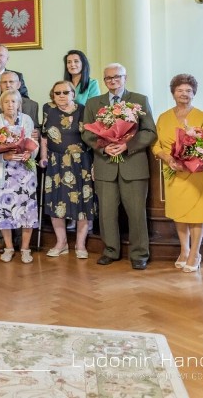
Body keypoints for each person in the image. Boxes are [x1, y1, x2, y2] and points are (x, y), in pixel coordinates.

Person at [81, 63, 157, 270]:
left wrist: (126, 145)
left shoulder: (139, 100)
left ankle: (140, 253)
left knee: (136, 212)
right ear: (104, 81)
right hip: (105, 164)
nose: (113, 81)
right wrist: (105, 148)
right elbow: (87, 133)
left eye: (117, 77)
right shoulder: (93, 103)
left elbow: (150, 132)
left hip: (133, 164)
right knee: (106, 212)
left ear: (125, 78)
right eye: (108, 78)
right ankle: (111, 250)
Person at [152, 74, 203, 273]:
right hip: (173, 172)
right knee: (179, 214)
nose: (184, 94)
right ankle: (184, 250)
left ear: (194, 93)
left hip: (196, 174)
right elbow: (156, 145)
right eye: (180, 90)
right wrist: (168, 159)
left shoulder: (202, 115)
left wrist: (188, 162)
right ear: (173, 93)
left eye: (188, 90)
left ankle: (195, 253)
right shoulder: (163, 117)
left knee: (197, 215)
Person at [41, 81, 96, 259]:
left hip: (81, 162)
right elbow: (43, 137)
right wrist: (43, 156)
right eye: (57, 93)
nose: (62, 96)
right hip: (55, 162)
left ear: (73, 93)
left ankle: (80, 244)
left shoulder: (83, 109)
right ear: (53, 95)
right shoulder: (47, 109)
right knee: (56, 203)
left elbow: (92, 137)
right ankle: (61, 242)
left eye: (66, 92)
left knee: (83, 203)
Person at [0, 89, 39, 263]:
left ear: (19, 104)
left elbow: (34, 144)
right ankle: (8, 248)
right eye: (7, 102)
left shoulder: (27, 120)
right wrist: (3, 155)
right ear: (1, 105)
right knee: (4, 211)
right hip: (4, 172)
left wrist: (29, 154)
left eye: (14, 101)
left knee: (27, 212)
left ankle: (25, 249)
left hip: (25, 173)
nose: (10, 105)